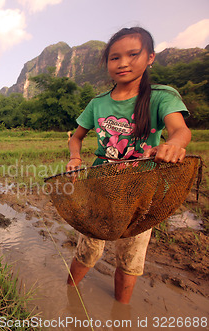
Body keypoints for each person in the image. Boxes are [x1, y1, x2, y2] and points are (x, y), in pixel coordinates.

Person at [66, 27, 191, 304]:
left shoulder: (161, 96)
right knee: (88, 249)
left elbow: (180, 130)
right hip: (100, 186)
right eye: (114, 58)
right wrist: (75, 157)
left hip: (140, 192)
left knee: (130, 258)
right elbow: (76, 138)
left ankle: (120, 313)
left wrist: (174, 145)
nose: (123, 63)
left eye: (133, 54)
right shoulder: (97, 103)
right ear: (107, 63)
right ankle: (69, 294)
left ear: (150, 58)